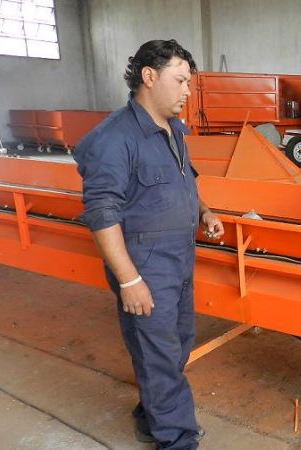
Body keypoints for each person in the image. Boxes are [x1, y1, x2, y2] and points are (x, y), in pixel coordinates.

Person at [75, 39, 223, 450]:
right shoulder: (114, 138)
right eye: (180, 80)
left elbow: (183, 181)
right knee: (159, 354)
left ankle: (151, 415)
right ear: (149, 76)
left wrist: (204, 211)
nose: (187, 91)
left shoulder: (172, 130)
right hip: (145, 265)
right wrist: (129, 280)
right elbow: (101, 212)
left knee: (176, 346)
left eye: (188, 82)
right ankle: (177, 440)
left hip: (179, 259)